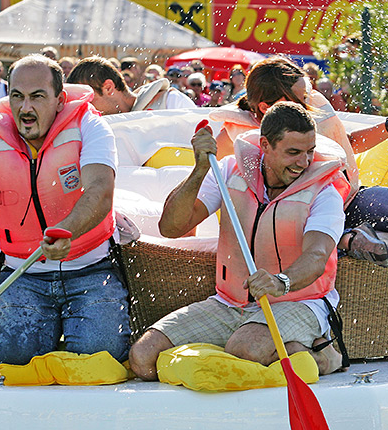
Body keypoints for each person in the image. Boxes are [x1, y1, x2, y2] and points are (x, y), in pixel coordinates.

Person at [210, 56, 388, 355]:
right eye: (300, 98)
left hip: (348, 200)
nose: (309, 102)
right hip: (296, 219)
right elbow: (216, 185)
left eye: (306, 93)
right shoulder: (236, 136)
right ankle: (347, 238)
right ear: (265, 108)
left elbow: (344, 144)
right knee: (316, 231)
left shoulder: (311, 106)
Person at [129, 102, 349, 380]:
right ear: (265, 145)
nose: (304, 163)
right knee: (143, 358)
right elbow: (171, 227)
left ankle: (322, 357)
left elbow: (317, 257)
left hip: (301, 302)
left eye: (309, 152)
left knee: (244, 350)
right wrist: (198, 170)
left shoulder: (325, 191)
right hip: (230, 303)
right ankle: (291, 350)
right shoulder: (230, 170)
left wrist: (281, 281)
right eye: (293, 152)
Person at [0, 53, 131, 371]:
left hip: (92, 270)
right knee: (15, 362)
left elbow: (100, 191)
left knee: (97, 362)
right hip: (22, 277)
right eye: (17, 97)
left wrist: (67, 230)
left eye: (37, 96)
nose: (25, 108)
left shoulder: (91, 127)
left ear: (60, 99)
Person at [66, 56, 194, 114]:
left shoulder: (171, 102)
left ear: (109, 88)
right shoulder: (98, 129)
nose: (87, 109)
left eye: (89, 101)